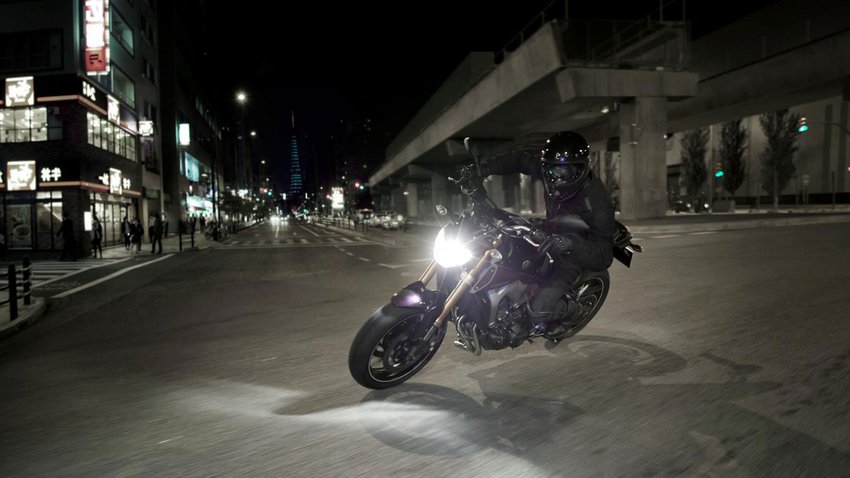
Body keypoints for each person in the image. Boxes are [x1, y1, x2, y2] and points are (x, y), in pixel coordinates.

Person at [458, 131, 616, 338]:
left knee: (538, 309)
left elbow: (605, 254)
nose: (556, 177)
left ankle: (573, 312)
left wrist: (571, 243)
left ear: (581, 168)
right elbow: (520, 160)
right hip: (550, 231)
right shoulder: (547, 171)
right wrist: (485, 169)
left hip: (574, 251)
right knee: (507, 253)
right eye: (552, 169)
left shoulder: (598, 203)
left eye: (565, 171)